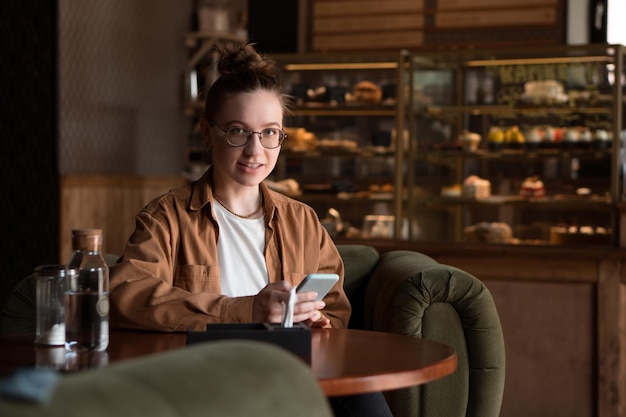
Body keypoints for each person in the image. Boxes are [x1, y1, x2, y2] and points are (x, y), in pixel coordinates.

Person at [109, 42, 392, 417]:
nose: (255, 151)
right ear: (207, 132)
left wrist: (317, 322)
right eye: (238, 131)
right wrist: (245, 310)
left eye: (270, 133)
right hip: (206, 382)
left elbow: (335, 311)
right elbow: (125, 293)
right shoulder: (168, 216)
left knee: (364, 394)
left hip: (287, 377)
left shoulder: (303, 220)